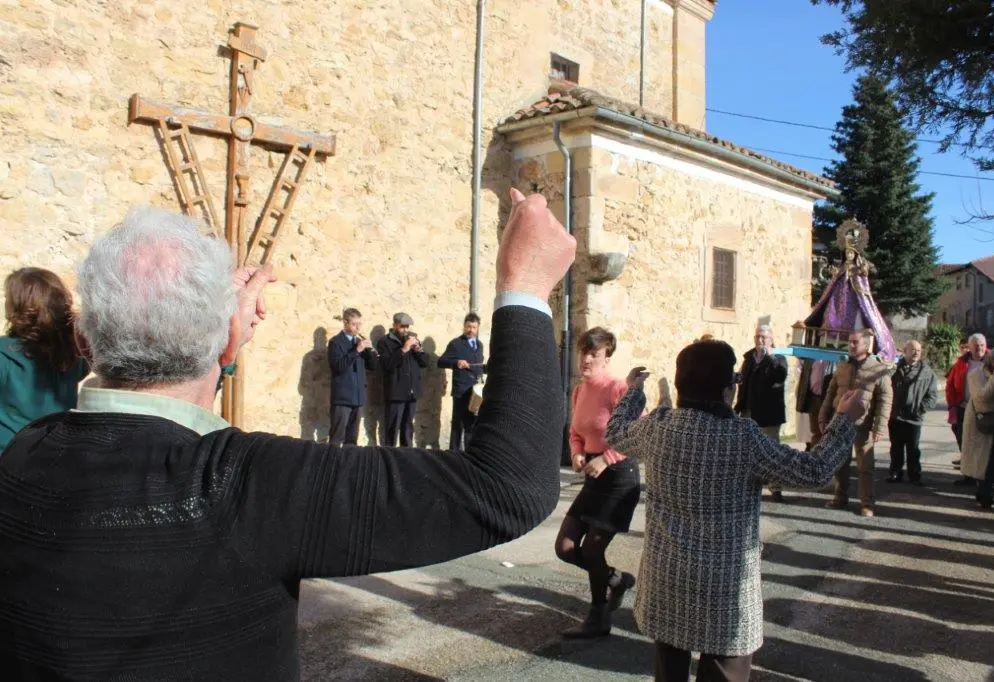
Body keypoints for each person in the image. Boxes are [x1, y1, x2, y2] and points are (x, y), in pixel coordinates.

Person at [0, 191, 576, 680]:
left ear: (82, 342)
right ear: (226, 340)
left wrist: (222, 341)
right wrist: (524, 285)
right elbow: (509, 485)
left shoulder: (20, 456)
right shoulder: (249, 487)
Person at [604, 340, 866, 682]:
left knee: (669, 672)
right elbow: (815, 471)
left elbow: (615, 433)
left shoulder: (658, 427)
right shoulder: (743, 438)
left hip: (667, 580)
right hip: (725, 592)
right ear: (728, 390)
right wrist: (844, 421)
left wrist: (634, 392)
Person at [555, 327, 641, 639]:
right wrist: (577, 454)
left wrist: (606, 458)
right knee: (565, 547)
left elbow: (636, 433)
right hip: (593, 476)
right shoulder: (580, 390)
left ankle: (598, 617)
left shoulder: (619, 388)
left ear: (607, 356)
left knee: (592, 549)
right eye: (583, 352)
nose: (586, 359)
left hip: (619, 478)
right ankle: (617, 580)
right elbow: (576, 432)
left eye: (594, 353)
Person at [0, 267, 89, 450]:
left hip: (8, 456)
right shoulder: (73, 352)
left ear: (18, 306)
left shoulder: (4, 353)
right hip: (55, 454)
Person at [819, 329, 893, 517]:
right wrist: (823, 416)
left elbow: (885, 400)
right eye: (850, 342)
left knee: (865, 467)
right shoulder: (842, 366)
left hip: (863, 425)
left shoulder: (879, 369)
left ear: (866, 345)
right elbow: (831, 393)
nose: (851, 345)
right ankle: (840, 497)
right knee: (839, 463)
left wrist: (880, 427)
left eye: (855, 342)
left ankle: (867, 504)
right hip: (840, 422)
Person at [734, 324, 789, 501]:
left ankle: (776, 487)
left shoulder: (779, 357)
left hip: (769, 413)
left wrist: (771, 358)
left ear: (771, 339)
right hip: (749, 411)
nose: (760, 340)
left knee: (772, 451)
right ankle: (749, 484)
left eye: (764, 337)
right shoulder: (749, 357)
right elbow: (744, 382)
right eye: (758, 336)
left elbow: (780, 376)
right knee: (747, 450)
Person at [959, 347, 994, 509]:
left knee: (993, 458)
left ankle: (985, 491)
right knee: (983, 459)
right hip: (980, 422)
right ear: (993, 361)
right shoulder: (976, 375)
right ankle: (984, 493)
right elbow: (982, 397)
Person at [886, 340, 938, 485]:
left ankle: (914, 475)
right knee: (896, 447)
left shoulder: (927, 372)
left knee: (913, 448)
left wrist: (920, 408)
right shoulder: (894, 368)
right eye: (913, 350)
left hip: (914, 418)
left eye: (918, 350)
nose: (916, 353)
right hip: (896, 416)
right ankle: (895, 472)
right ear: (905, 351)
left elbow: (932, 395)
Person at [326, 307, 379, 445]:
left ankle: (349, 465)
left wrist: (370, 351)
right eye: (354, 324)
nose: (357, 327)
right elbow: (338, 366)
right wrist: (356, 350)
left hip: (358, 397)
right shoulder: (335, 342)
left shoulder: (359, 341)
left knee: (352, 440)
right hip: (342, 398)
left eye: (359, 324)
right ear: (345, 323)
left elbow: (372, 367)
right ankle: (332, 464)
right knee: (336, 438)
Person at [376, 312, 428, 447]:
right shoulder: (384, 342)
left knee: (408, 427)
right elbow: (387, 365)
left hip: (412, 391)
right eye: (402, 327)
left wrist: (419, 350)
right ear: (394, 325)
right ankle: (389, 454)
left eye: (407, 327)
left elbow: (424, 363)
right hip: (396, 392)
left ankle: (407, 456)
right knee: (392, 427)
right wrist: (404, 349)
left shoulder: (413, 339)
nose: (405, 330)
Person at [437, 312, 486, 453]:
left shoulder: (480, 345)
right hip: (461, 390)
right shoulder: (456, 344)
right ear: (464, 327)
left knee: (471, 423)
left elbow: (479, 366)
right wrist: (456, 362)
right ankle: (454, 453)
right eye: (468, 326)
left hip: (475, 391)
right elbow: (441, 362)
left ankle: (469, 454)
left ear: (478, 328)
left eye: (474, 327)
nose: (471, 330)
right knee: (458, 423)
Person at [947, 333, 987, 481]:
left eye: (982, 345)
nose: (979, 348)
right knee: (965, 442)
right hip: (963, 407)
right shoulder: (961, 362)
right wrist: (952, 404)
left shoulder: (992, 361)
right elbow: (950, 384)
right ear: (969, 347)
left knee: (983, 444)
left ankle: (983, 477)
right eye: (976, 345)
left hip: (985, 410)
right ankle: (968, 476)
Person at [796, 358, 834, 449]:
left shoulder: (832, 356)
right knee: (816, 433)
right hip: (814, 398)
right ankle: (815, 460)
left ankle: (828, 460)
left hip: (830, 398)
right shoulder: (812, 355)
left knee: (830, 434)